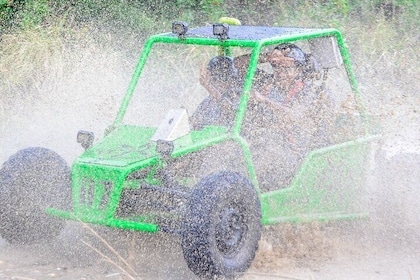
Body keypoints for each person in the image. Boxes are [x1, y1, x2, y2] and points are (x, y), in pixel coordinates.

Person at [190, 56, 242, 130]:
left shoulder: (238, 97)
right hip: (203, 138)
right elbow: (194, 121)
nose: (219, 82)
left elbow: (230, 110)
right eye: (215, 78)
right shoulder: (208, 101)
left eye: (225, 78)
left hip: (227, 139)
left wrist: (208, 87)